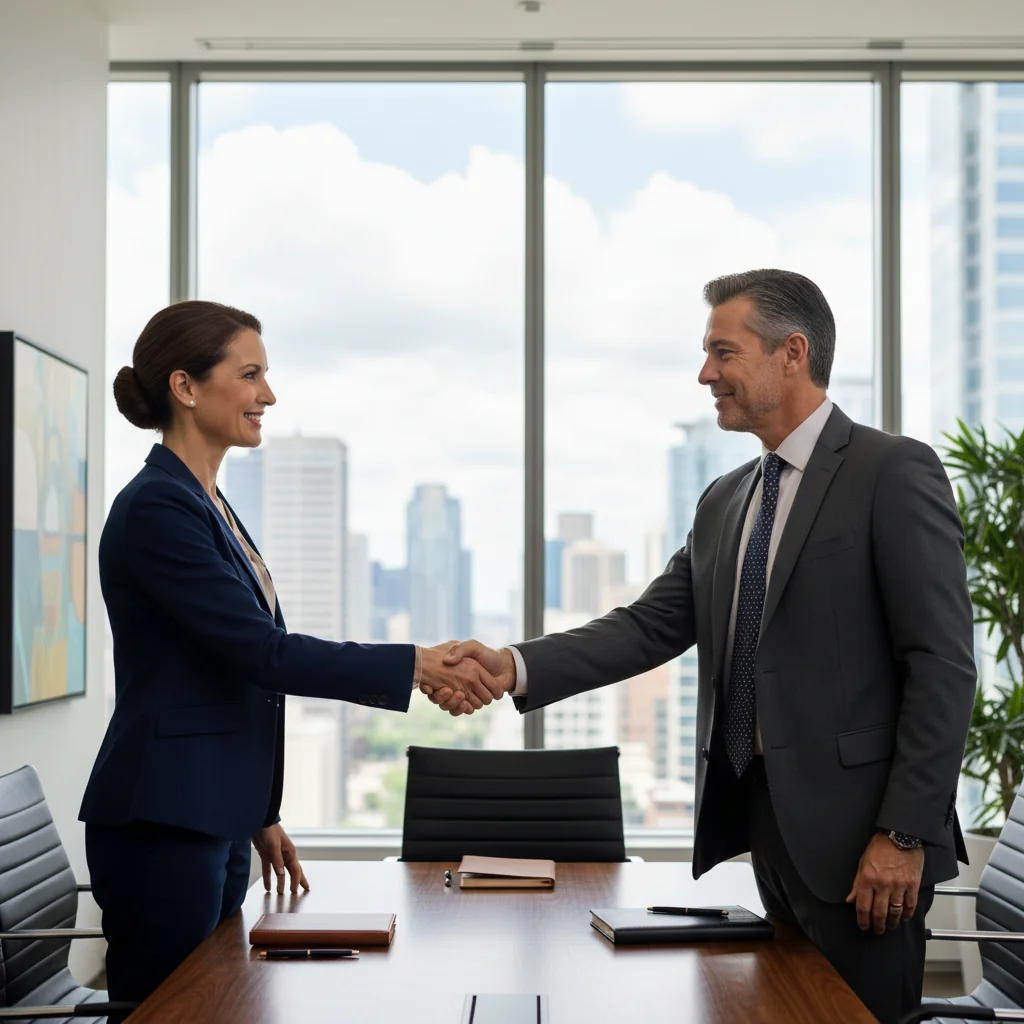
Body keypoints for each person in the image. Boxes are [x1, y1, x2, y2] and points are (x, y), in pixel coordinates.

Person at [425, 269, 977, 1024]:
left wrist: (902, 832)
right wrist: (513, 666)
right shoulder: (727, 498)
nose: (705, 373)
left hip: (867, 849)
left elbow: (941, 664)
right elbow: (648, 625)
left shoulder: (892, 471)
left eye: (723, 352)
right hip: (768, 835)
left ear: (792, 351)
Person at [79, 300, 500, 1019]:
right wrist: (417, 665)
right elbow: (262, 653)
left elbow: (224, 671)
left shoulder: (207, 502)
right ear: (186, 387)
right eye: (249, 375)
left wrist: (257, 810)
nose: (267, 395)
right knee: (172, 1011)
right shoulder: (157, 508)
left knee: (222, 1005)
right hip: (162, 823)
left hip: (212, 813)